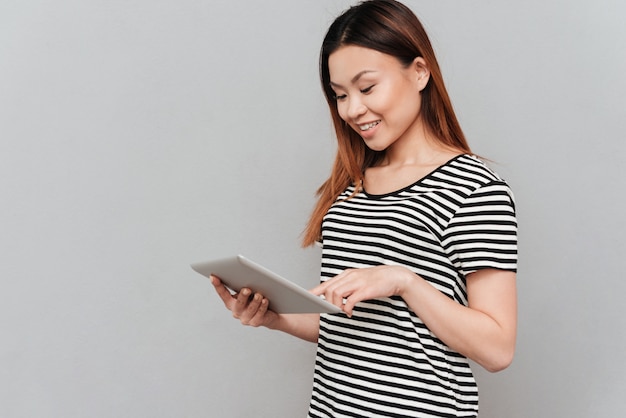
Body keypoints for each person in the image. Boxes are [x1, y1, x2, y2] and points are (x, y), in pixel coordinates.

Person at [211, 1, 518, 416]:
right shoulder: (352, 188)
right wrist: (274, 316)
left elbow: (497, 348)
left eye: (367, 87)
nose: (352, 109)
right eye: (340, 95)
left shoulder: (476, 189)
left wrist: (405, 282)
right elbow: (350, 327)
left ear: (420, 72)